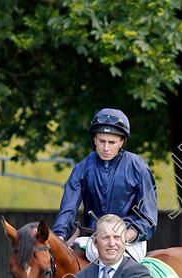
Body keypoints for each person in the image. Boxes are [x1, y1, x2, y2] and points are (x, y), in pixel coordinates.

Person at [52, 108, 157, 262]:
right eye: (101, 141)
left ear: (122, 142)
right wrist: (59, 236)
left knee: (111, 259)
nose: (106, 148)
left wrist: (126, 235)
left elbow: (148, 218)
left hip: (129, 242)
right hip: (93, 240)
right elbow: (68, 208)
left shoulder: (138, 167)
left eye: (112, 142)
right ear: (94, 139)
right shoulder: (83, 167)